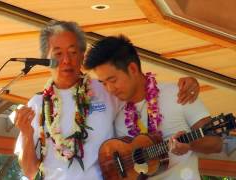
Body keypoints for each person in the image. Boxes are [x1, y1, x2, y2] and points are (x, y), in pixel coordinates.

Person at [12, 20, 200, 180]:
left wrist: (188, 83)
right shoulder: (38, 105)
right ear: (45, 58)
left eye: (73, 52)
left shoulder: (105, 89)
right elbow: (30, 171)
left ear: (82, 55)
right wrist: (27, 134)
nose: (67, 60)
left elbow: (141, 87)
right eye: (58, 54)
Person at [84, 35, 223, 180]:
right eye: (104, 83)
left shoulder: (179, 94)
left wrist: (189, 145)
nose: (110, 89)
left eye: (113, 80)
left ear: (132, 68)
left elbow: (216, 143)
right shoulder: (115, 111)